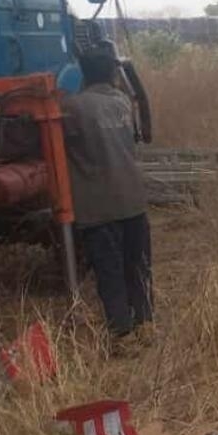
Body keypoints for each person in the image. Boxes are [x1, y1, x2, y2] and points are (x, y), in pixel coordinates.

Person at [62, 42, 152, 340]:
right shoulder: (123, 102)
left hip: (99, 209)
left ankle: (121, 332)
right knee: (137, 266)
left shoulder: (73, 108)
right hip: (133, 201)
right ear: (112, 73)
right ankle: (145, 322)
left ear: (83, 74)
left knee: (109, 270)